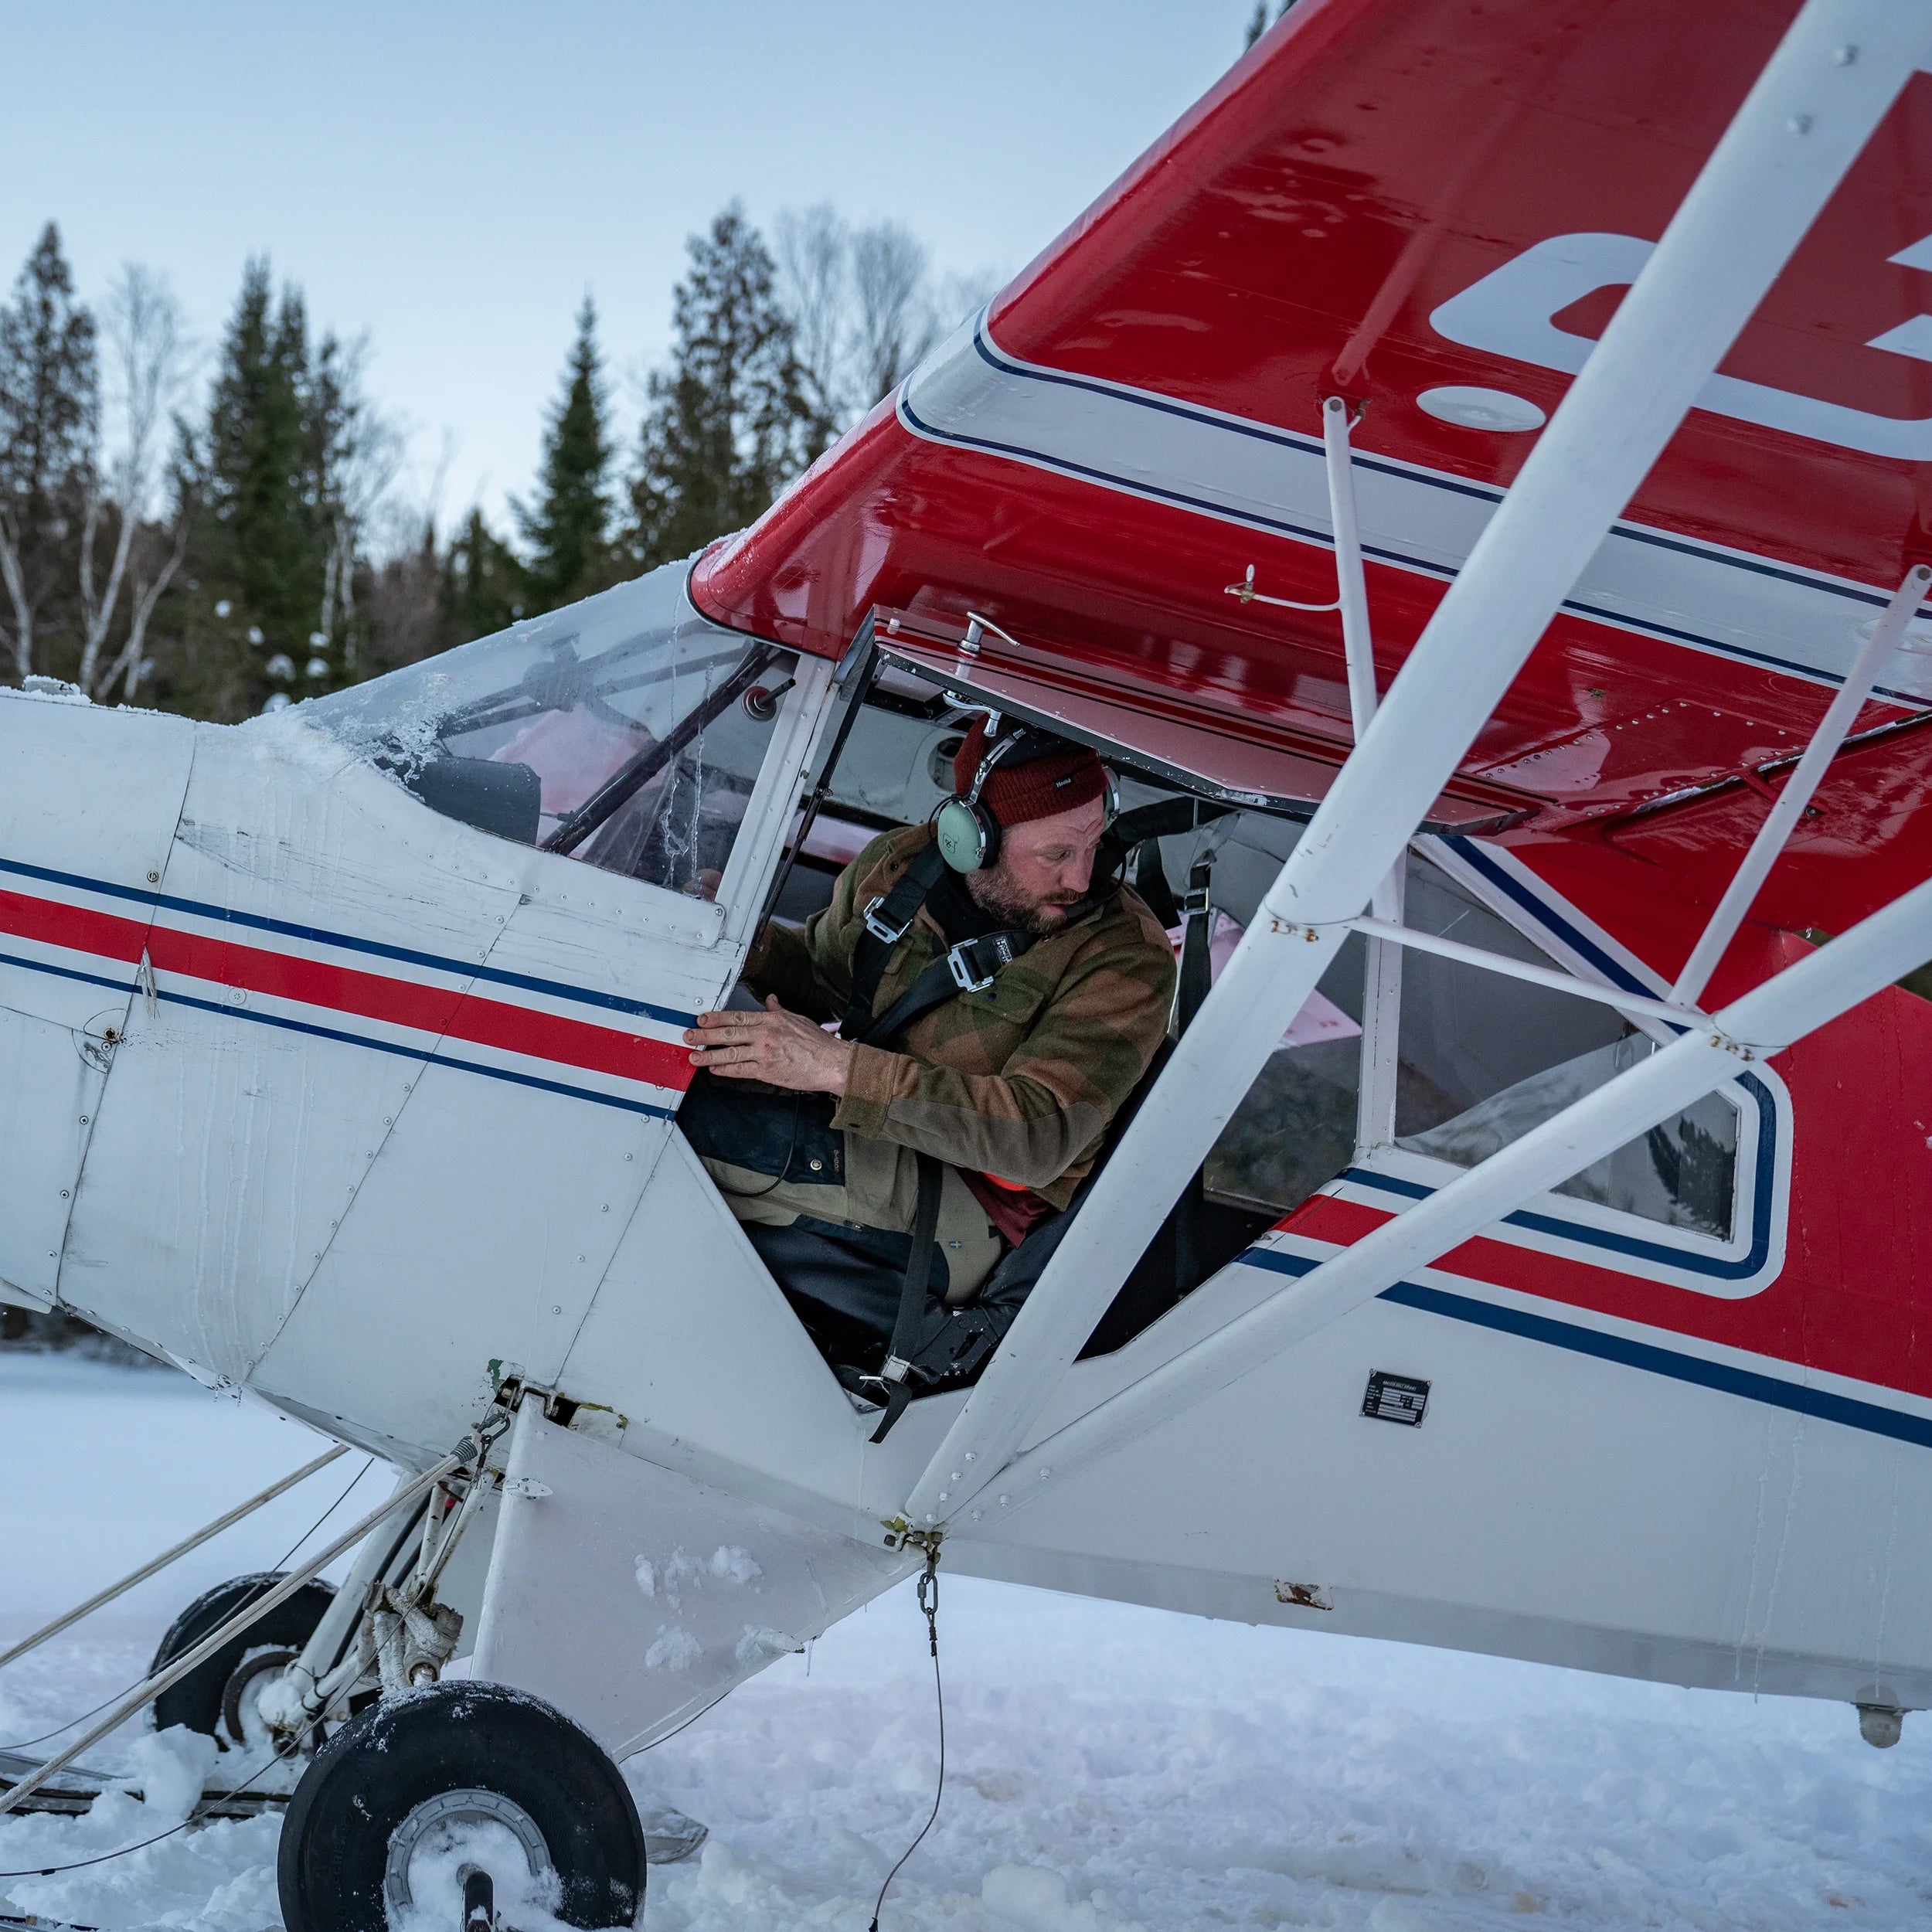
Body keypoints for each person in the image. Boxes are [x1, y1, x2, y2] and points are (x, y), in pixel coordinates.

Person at [678, 716, 1176, 1417]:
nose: (1080, 876)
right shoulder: (900, 864)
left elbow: (1037, 1137)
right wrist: (743, 938)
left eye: (1093, 844)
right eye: (1056, 853)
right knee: (660, 1071)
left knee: (687, 1122)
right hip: (857, 1131)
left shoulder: (1124, 956)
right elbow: (824, 979)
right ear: (972, 839)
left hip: (962, 1207)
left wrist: (839, 1069)